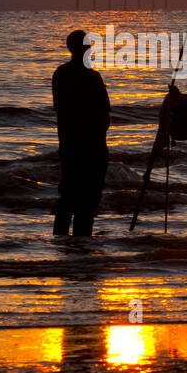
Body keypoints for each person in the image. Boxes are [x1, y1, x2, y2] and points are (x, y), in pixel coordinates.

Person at [52, 29, 110, 236]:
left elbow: (60, 109)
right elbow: (104, 113)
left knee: (67, 197)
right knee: (89, 199)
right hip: (92, 146)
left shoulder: (60, 74)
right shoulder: (92, 77)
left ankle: (61, 240)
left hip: (68, 144)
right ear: (84, 48)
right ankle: (82, 241)